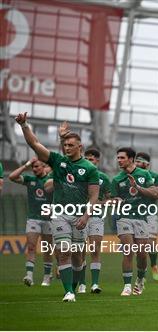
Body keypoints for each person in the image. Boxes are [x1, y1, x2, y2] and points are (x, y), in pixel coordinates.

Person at [15, 113, 99, 302]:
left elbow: (94, 196)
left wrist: (86, 216)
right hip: (60, 214)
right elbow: (35, 145)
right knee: (63, 251)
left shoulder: (90, 169)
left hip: (80, 216)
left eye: (71, 145)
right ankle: (69, 291)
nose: (67, 148)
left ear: (80, 147)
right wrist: (24, 125)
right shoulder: (57, 161)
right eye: (65, 145)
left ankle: (75, 286)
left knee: (78, 256)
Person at [111, 147, 157, 296]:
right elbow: (113, 198)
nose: (119, 160)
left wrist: (137, 187)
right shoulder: (116, 179)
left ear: (130, 159)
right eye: (118, 158)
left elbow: (154, 193)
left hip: (141, 218)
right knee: (128, 251)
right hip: (123, 217)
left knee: (142, 254)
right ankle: (126, 286)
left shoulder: (144, 174)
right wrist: (115, 201)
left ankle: (140, 279)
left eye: (122, 158)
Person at [9, 157, 54, 287]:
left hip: (48, 219)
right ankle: (29, 276)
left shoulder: (50, 180)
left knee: (47, 249)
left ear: (43, 167)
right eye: (33, 167)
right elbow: (12, 177)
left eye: (37, 167)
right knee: (31, 247)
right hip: (33, 218)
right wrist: (26, 165)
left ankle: (47, 276)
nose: (34, 169)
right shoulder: (30, 179)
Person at [82, 148, 111, 293]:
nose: (88, 161)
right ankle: (81, 283)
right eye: (86, 159)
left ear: (97, 161)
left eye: (91, 159)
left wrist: (102, 203)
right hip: (79, 216)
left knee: (94, 249)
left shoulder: (103, 178)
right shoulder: (78, 174)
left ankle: (94, 284)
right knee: (79, 251)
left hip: (96, 217)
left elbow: (110, 198)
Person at [135, 152, 158, 281]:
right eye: (135, 161)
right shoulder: (132, 175)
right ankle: (142, 273)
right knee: (140, 246)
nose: (136, 163)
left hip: (150, 213)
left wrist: (142, 189)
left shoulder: (155, 176)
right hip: (135, 213)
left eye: (139, 161)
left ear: (147, 164)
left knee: (151, 243)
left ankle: (153, 264)